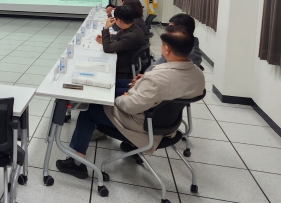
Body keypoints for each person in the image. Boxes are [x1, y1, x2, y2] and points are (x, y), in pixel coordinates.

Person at [56, 26, 205, 179]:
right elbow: (169, 89)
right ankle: (128, 145)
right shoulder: (198, 74)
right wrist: (141, 84)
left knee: (89, 110)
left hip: (142, 124)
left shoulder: (157, 79)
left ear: (167, 49)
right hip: (168, 122)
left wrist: (118, 98)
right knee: (117, 87)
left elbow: (129, 106)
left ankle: (77, 163)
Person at [96, 5, 147, 79]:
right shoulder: (132, 27)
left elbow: (107, 48)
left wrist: (106, 28)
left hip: (122, 68)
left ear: (119, 20)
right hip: (124, 59)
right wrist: (105, 39)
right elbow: (117, 39)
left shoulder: (131, 36)